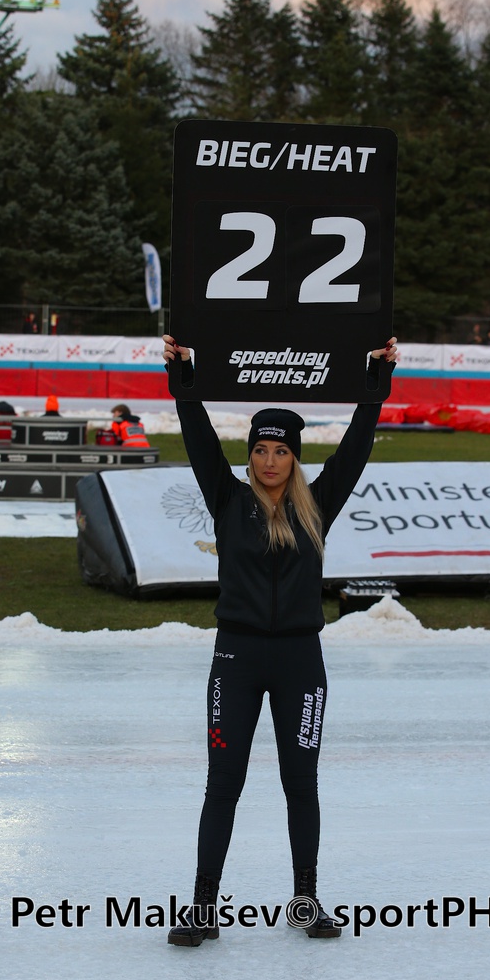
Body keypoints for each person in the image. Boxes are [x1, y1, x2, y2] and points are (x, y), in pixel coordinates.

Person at [161, 331, 397, 947]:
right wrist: (183, 375)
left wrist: (376, 381)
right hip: (235, 661)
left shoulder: (317, 504)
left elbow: (356, 448)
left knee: (301, 784)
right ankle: (202, 907)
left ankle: (306, 901)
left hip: (300, 664)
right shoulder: (227, 498)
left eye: (281, 451)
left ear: (295, 458)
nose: (270, 461)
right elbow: (197, 436)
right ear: (250, 456)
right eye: (261, 450)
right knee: (223, 784)